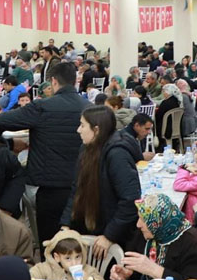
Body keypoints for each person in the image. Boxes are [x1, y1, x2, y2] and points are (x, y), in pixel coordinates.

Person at [0, 61, 89, 248]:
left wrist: (8, 144)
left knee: (49, 243)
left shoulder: (43, 107)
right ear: (75, 81)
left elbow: (1, 121)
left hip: (49, 185)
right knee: (79, 244)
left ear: (53, 81)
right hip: (84, 185)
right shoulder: (89, 107)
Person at [60, 105, 141, 259]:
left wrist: (110, 236)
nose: (78, 130)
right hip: (92, 225)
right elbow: (77, 189)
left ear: (96, 130)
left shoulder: (117, 154)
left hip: (114, 235)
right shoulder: (87, 149)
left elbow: (130, 200)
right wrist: (66, 224)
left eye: (83, 125)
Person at [110, 194, 197, 280]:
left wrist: (156, 270)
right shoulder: (147, 234)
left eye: (143, 220)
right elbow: (140, 276)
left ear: (158, 222)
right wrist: (127, 275)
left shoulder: (193, 243)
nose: (138, 225)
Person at [30, 229, 105, 280]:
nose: (74, 263)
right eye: (68, 258)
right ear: (57, 257)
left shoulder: (88, 270)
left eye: (78, 257)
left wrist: (90, 279)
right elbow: (29, 276)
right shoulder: (46, 268)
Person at [154, 83, 182, 148]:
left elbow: (157, 116)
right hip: (176, 127)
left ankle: (158, 147)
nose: (163, 93)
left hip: (166, 128)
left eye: (164, 91)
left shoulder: (165, 103)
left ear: (168, 92)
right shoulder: (177, 101)